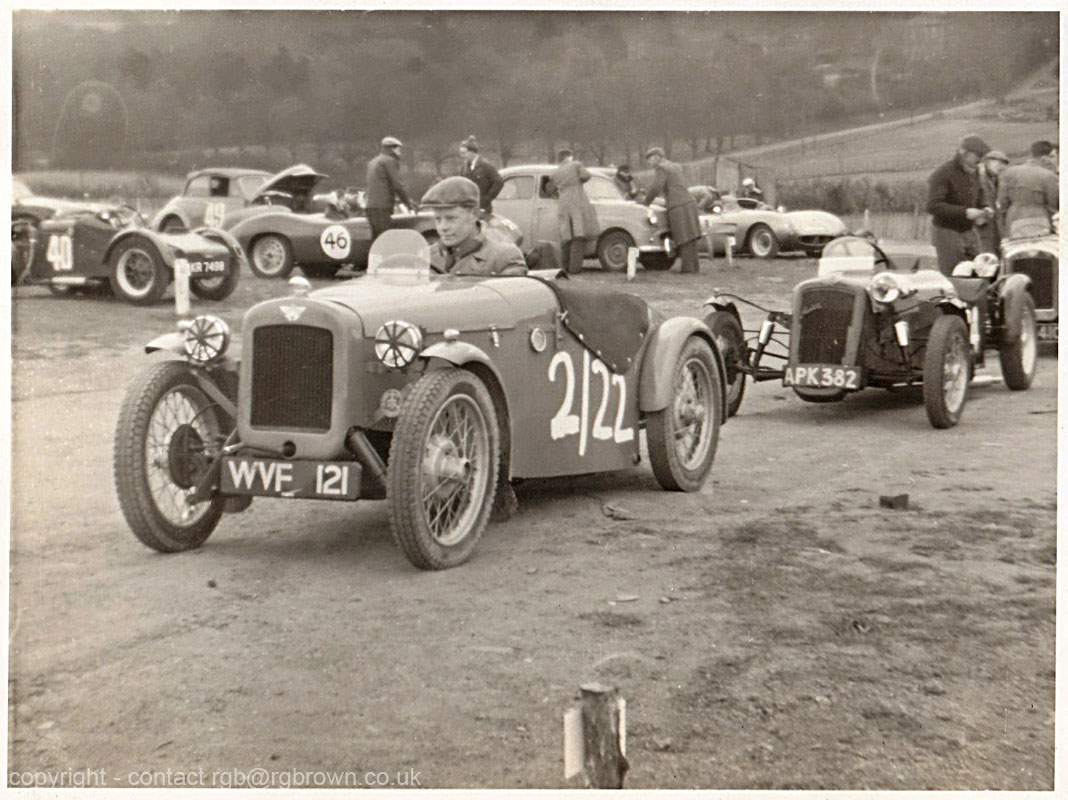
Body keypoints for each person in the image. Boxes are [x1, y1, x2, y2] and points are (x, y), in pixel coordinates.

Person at [420, 176, 526, 277]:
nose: (443, 227)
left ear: (474, 215)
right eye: (438, 219)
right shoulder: (427, 256)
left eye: (451, 218)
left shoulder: (503, 257)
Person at [926, 134, 991, 275]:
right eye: (977, 156)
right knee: (954, 274)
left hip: (969, 231)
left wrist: (985, 207)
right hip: (947, 232)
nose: (980, 161)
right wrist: (965, 212)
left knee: (980, 270)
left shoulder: (974, 172)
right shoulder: (943, 173)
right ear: (965, 154)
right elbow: (932, 206)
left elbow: (980, 194)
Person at [642, 146, 702, 273]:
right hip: (689, 203)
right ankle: (694, 268)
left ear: (657, 157)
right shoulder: (676, 166)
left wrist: (645, 203)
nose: (649, 162)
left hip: (677, 206)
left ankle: (687, 270)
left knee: (682, 237)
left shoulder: (661, 168)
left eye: (650, 159)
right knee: (691, 238)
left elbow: (655, 188)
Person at [547, 149, 600, 274]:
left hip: (562, 201)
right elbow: (586, 175)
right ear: (569, 157)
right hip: (576, 199)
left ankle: (564, 267)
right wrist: (577, 182)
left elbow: (549, 189)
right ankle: (574, 268)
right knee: (579, 234)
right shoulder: (576, 164)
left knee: (566, 236)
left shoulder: (555, 172)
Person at [997, 140, 1060, 239]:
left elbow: (1002, 202)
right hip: (1040, 220)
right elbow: (1053, 204)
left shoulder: (1009, 172)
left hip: (1013, 219)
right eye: (1051, 157)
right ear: (1044, 158)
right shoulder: (1049, 176)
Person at [365, 136, 418, 242]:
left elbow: (380, 185)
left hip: (371, 206)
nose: (400, 152)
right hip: (382, 207)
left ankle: (375, 258)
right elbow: (397, 185)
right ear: (392, 149)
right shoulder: (389, 161)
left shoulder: (373, 162)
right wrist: (409, 204)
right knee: (384, 240)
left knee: (376, 240)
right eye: (399, 149)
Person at [458, 136, 504, 217]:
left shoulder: (485, 165)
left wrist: (487, 198)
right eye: (460, 153)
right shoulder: (464, 168)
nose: (461, 156)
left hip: (483, 209)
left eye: (464, 153)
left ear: (472, 152)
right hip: (469, 209)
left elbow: (499, 182)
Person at [975, 149, 1009, 254]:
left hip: (993, 225)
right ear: (988, 162)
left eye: (1002, 165)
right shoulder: (976, 177)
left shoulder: (995, 179)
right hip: (980, 226)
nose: (1000, 168)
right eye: (998, 164)